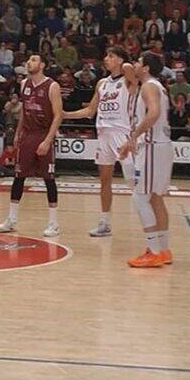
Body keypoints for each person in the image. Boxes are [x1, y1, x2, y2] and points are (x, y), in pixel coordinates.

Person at [61, 46, 135, 238]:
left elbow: (131, 69)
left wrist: (124, 61)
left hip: (122, 133)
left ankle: (150, 222)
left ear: (120, 60)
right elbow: (90, 111)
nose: (106, 58)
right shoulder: (102, 83)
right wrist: (64, 114)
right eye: (106, 55)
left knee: (134, 182)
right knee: (104, 181)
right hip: (103, 133)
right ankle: (105, 223)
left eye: (111, 56)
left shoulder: (128, 79)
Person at [0, 54, 65, 237]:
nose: (29, 62)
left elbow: (58, 115)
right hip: (27, 134)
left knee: (48, 179)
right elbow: (25, 112)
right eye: (28, 60)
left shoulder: (52, 86)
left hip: (44, 134)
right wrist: (18, 133)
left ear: (42, 65)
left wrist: (48, 140)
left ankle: (53, 223)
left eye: (33, 60)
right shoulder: (24, 84)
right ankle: (11, 219)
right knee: (18, 177)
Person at [118, 52, 173, 268]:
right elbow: (127, 69)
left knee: (140, 198)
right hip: (161, 146)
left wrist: (134, 136)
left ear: (147, 68)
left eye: (139, 62)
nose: (135, 64)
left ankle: (154, 251)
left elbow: (154, 113)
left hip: (152, 146)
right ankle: (164, 250)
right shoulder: (156, 85)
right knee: (155, 199)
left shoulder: (149, 86)